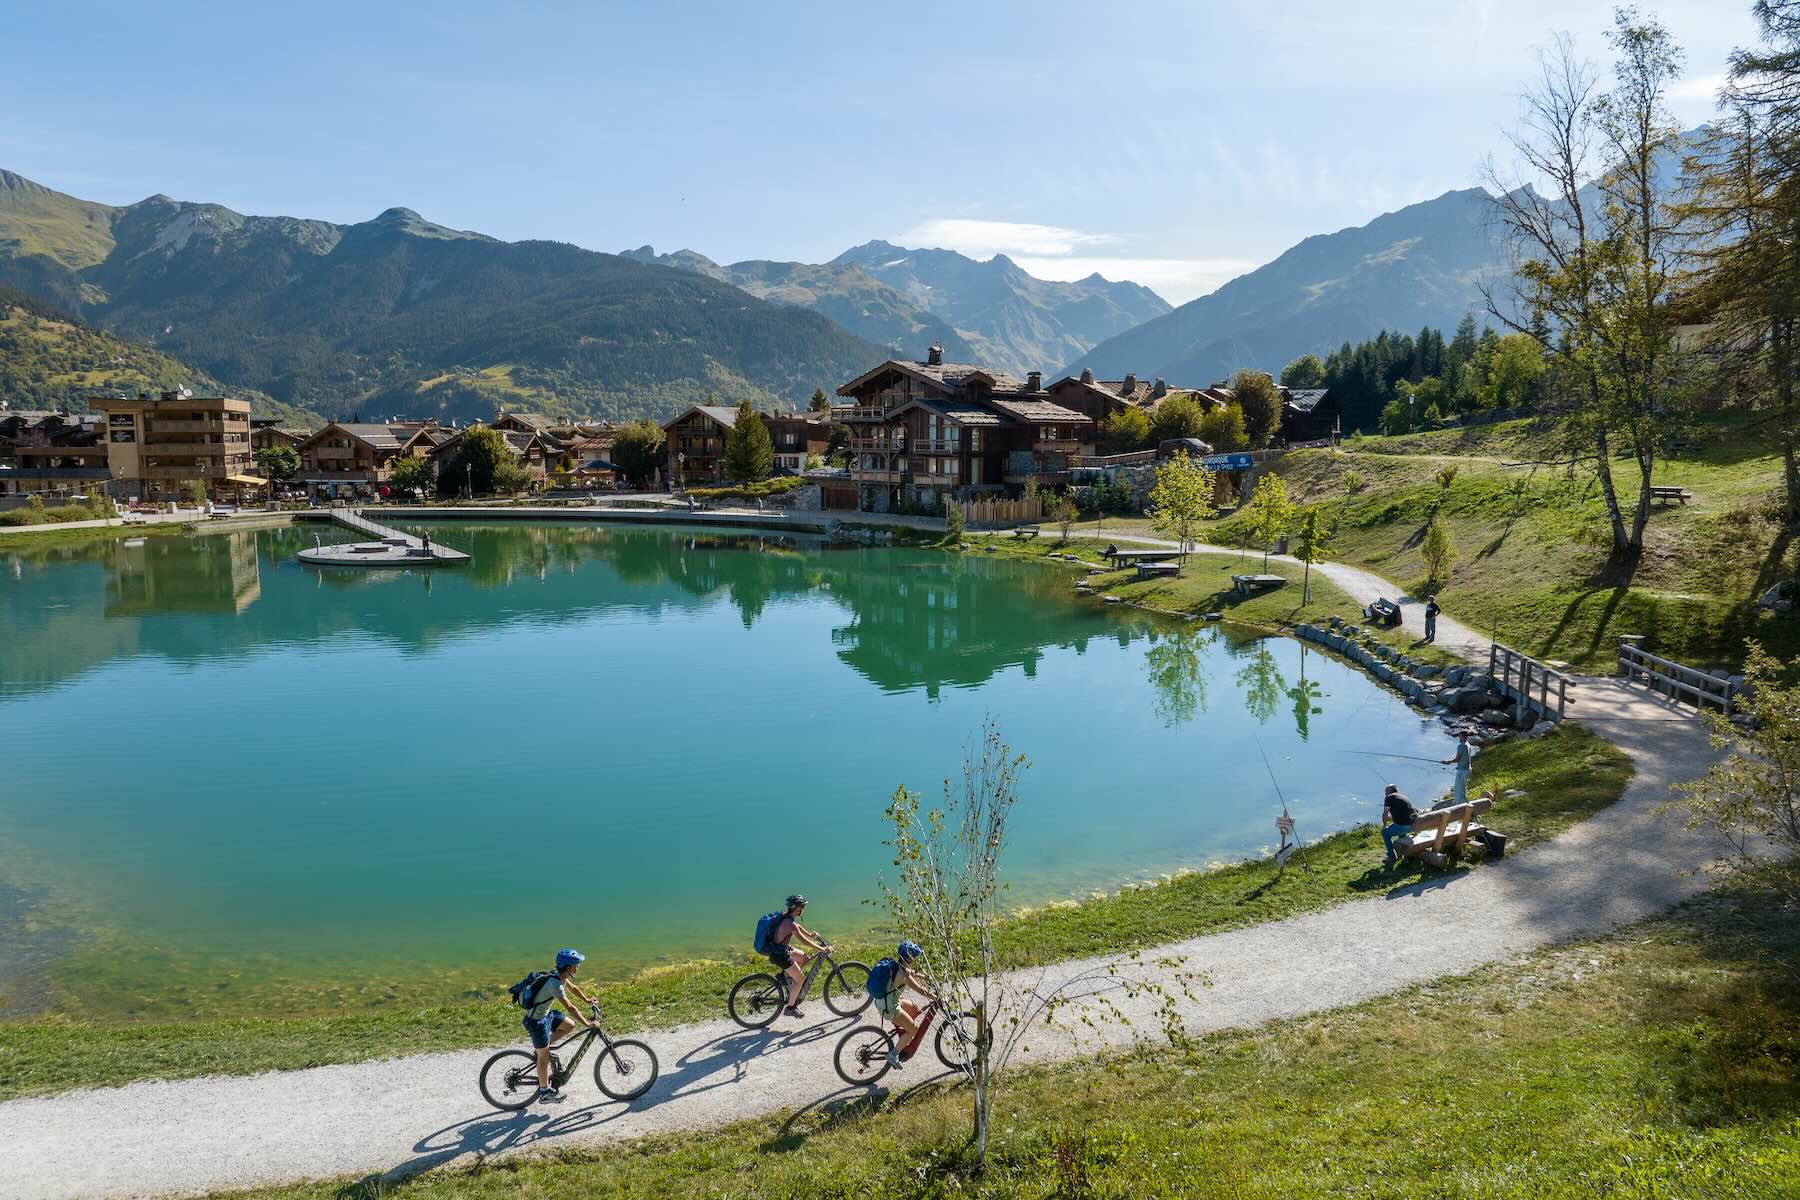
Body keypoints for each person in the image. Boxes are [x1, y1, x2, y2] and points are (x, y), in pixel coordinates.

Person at [523, 948, 599, 1104]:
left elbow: (573, 989)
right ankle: (545, 1093)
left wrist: (587, 1000)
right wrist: (587, 1023)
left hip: (547, 1014)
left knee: (569, 1025)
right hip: (536, 1022)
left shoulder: (560, 975)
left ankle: (543, 1048)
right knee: (543, 1058)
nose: (578, 967)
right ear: (569, 967)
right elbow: (570, 1007)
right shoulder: (555, 984)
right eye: (576, 964)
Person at [870, 941, 941, 1069]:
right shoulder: (904, 975)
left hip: (883, 1000)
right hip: (890, 1008)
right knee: (914, 1029)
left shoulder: (896, 964)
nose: (915, 959)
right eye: (913, 956)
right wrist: (935, 996)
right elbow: (919, 989)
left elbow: (909, 972)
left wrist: (923, 976)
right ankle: (893, 1054)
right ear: (909, 957)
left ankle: (904, 1032)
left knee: (914, 1009)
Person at [767, 894, 831, 1017]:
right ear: (795, 907)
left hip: (780, 949)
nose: (803, 908)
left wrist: (810, 934)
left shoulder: (786, 917)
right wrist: (822, 949)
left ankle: (787, 978)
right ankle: (791, 1008)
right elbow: (803, 941)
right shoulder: (789, 923)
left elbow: (798, 927)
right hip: (780, 955)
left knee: (804, 958)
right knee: (800, 979)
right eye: (801, 906)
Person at [1381, 785, 1417, 866]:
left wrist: (1384, 825)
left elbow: (1385, 813)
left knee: (1385, 833)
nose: (1385, 793)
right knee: (1400, 831)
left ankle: (1391, 857)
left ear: (1390, 791)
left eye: (1386, 791)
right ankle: (1400, 854)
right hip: (1413, 825)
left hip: (1404, 826)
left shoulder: (1389, 797)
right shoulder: (1403, 796)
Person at [1441, 729, 1474, 805]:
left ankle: (1462, 806)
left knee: (1459, 790)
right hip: (1467, 769)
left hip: (1462, 770)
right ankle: (1463, 804)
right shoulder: (1468, 744)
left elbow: (1457, 759)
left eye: (1460, 737)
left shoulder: (1461, 746)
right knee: (1462, 789)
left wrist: (1447, 762)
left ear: (1463, 737)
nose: (1459, 738)